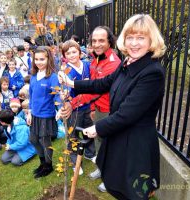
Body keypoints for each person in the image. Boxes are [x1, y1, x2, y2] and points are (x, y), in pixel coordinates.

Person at [58, 14, 166, 200]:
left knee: (133, 192)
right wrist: (72, 83)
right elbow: (103, 83)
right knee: (116, 185)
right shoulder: (128, 63)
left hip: (136, 144)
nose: (134, 43)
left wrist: (97, 128)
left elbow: (127, 114)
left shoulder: (152, 73)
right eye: (130, 37)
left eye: (140, 38)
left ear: (152, 40)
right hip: (120, 135)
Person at [61, 26, 122, 192]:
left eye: (101, 40)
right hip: (99, 108)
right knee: (99, 141)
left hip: (110, 109)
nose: (97, 44)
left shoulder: (112, 63)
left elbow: (96, 88)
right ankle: (102, 169)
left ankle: (110, 179)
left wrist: (72, 103)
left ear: (110, 41)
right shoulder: (96, 58)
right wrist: (92, 108)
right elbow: (91, 86)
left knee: (110, 144)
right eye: (94, 41)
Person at [60, 40, 96, 175]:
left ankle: (90, 153)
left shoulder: (87, 65)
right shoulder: (65, 71)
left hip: (88, 105)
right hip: (74, 108)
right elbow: (66, 90)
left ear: (80, 53)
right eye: (68, 53)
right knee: (73, 134)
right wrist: (64, 94)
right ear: (64, 55)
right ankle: (75, 161)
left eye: (74, 52)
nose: (71, 55)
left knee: (89, 130)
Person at [27, 46, 60, 178]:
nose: (39, 62)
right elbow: (31, 94)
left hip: (46, 115)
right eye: (36, 59)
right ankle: (42, 162)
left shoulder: (52, 77)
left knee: (45, 141)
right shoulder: (34, 76)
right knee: (33, 139)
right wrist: (29, 112)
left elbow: (57, 95)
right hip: (35, 114)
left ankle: (48, 165)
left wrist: (59, 108)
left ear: (49, 59)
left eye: (42, 59)